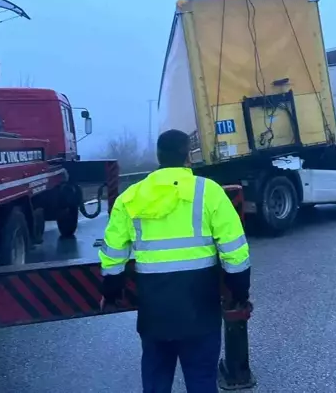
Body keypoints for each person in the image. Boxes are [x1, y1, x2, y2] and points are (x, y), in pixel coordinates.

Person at [99, 129, 251, 393]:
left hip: (154, 312)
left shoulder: (130, 197)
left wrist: (111, 294)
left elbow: (113, 256)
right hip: (200, 309)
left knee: (156, 383)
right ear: (188, 157)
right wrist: (239, 293)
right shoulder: (209, 192)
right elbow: (235, 252)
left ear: (159, 156)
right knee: (202, 381)